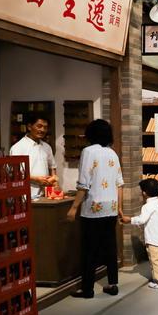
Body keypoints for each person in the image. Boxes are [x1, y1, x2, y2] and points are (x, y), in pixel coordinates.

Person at [67, 119, 124, 298]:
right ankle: (112, 284)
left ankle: (88, 289)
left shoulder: (88, 151)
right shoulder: (112, 153)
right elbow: (119, 184)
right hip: (111, 207)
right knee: (110, 247)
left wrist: (74, 207)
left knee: (89, 249)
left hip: (93, 208)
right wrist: (119, 207)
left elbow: (83, 184)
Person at [121, 178, 158, 290]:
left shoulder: (147, 207)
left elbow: (142, 219)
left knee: (155, 261)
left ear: (144, 193)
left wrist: (130, 220)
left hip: (152, 239)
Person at [9, 113, 57, 199]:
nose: (42, 130)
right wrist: (36, 179)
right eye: (39, 126)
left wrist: (55, 182)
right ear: (29, 127)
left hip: (44, 194)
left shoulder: (47, 147)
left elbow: (52, 167)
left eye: (45, 127)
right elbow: (15, 172)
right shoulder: (18, 147)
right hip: (25, 196)